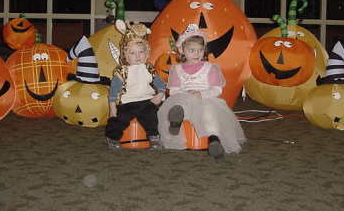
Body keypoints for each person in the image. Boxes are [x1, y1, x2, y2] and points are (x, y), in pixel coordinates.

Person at [157, 24, 246, 160]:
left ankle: (214, 140)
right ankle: (176, 121)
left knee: (209, 112)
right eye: (191, 50)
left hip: (205, 98)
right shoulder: (177, 69)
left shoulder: (210, 68)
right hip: (184, 97)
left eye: (200, 50)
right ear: (182, 50)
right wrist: (187, 93)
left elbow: (217, 89)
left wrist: (201, 94)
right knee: (181, 103)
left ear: (204, 51)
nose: (196, 54)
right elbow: (173, 91)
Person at [105, 20, 166, 150]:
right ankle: (113, 137)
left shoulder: (149, 68)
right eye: (132, 53)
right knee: (119, 120)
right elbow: (114, 90)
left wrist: (160, 93)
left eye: (141, 52)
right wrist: (112, 107)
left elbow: (160, 83)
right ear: (125, 55)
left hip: (146, 101)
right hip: (127, 102)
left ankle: (154, 137)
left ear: (147, 52)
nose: (138, 56)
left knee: (152, 116)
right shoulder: (122, 71)